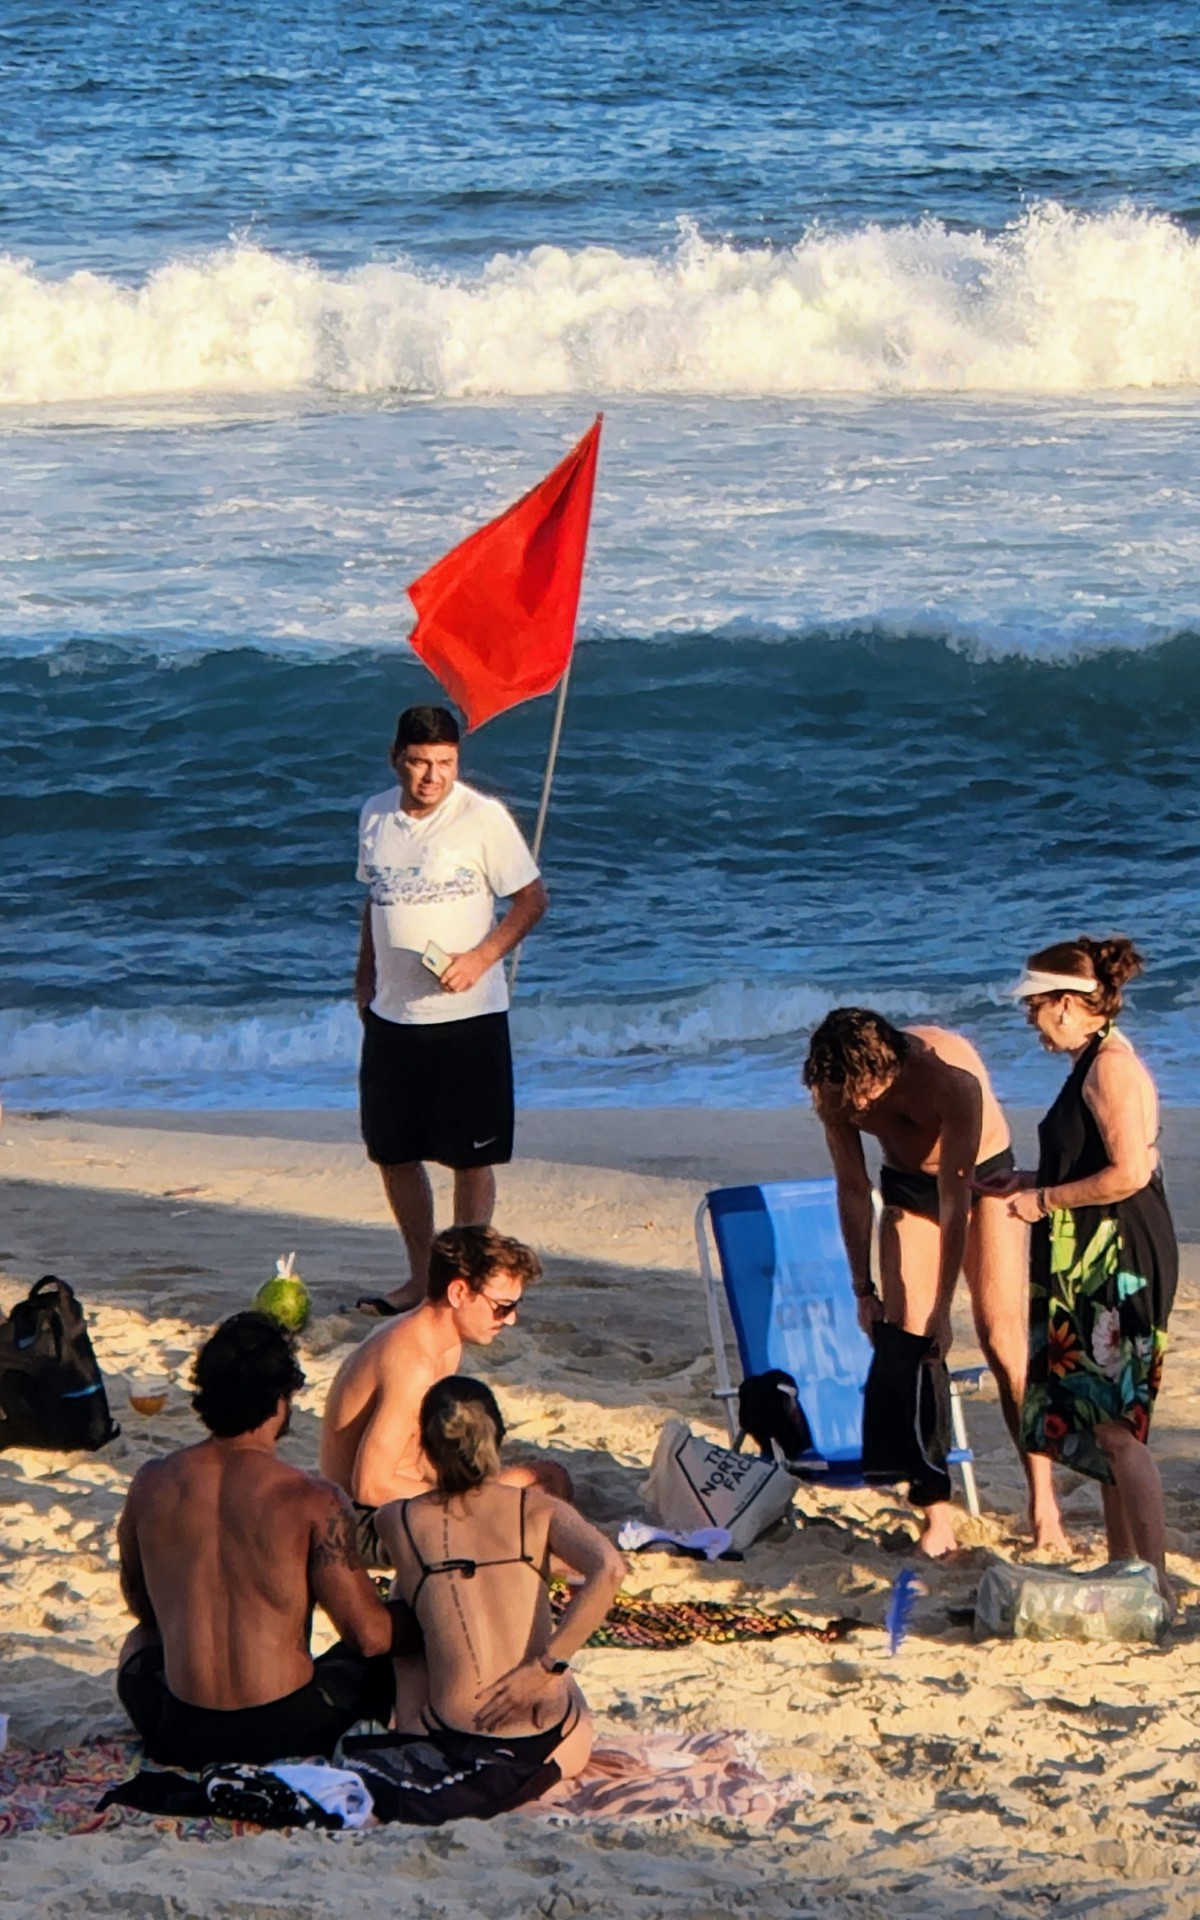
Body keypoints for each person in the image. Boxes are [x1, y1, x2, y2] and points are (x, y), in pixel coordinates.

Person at [803, 1008, 1064, 1556]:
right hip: (903, 1185)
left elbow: (956, 1201)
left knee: (1001, 1339)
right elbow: (852, 1189)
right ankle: (937, 1515)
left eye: (864, 1096)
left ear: (890, 1068)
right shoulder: (834, 1089)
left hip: (983, 1178)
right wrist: (862, 1289)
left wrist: (946, 1307)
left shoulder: (951, 1081)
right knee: (910, 1342)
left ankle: (1044, 1505)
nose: (858, 1109)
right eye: (847, 1099)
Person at [976, 937, 1178, 1608]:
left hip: (1119, 1260)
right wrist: (1030, 1179)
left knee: (1120, 1428)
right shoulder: (1090, 1062)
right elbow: (1092, 1164)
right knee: (1100, 1420)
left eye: (1035, 1007)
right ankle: (1124, 1568)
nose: (1030, 1021)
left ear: (1067, 1004)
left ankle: (1152, 1579)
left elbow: (1129, 1172)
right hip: (1093, 1251)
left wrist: (1043, 1201)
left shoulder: (1111, 1068)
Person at [116, 1312, 400, 1770]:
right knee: (383, 1655)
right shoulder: (310, 1498)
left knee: (137, 1644)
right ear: (280, 1401)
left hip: (179, 1732)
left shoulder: (152, 1483)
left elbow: (142, 1607)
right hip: (285, 1730)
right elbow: (368, 1637)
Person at [354, 703, 548, 1315]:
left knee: (471, 1158)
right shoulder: (375, 814)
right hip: (393, 1015)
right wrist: (364, 979)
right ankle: (421, 1276)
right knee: (393, 1154)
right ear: (397, 760)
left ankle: (468, 1280)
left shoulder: (482, 818)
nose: (432, 777)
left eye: (444, 763)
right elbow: (375, 903)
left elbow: (531, 900)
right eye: (419, 763)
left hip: (469, 1019)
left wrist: (481, 957)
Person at [376, 1375, 624, 1785]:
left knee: (407, 1609)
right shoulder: (539, 1509)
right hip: (552, 1741)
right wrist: (547, 1666)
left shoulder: (398, 1519)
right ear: (499, 1438)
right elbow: (610, 1568)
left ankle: (408, 1729)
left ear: (424, 1446)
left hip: (448, 1736)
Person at [321, 1224, 569, 1566]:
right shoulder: (412, 1360)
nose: (511, 1319)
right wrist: (467, 1503)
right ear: (457, 1293)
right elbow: (370, 1485)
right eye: (502, 1307)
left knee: (547, 1480)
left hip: (402, 1499)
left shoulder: (441, 1343)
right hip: (369, 1522)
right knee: (542, 1490)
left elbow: (417, 1448)